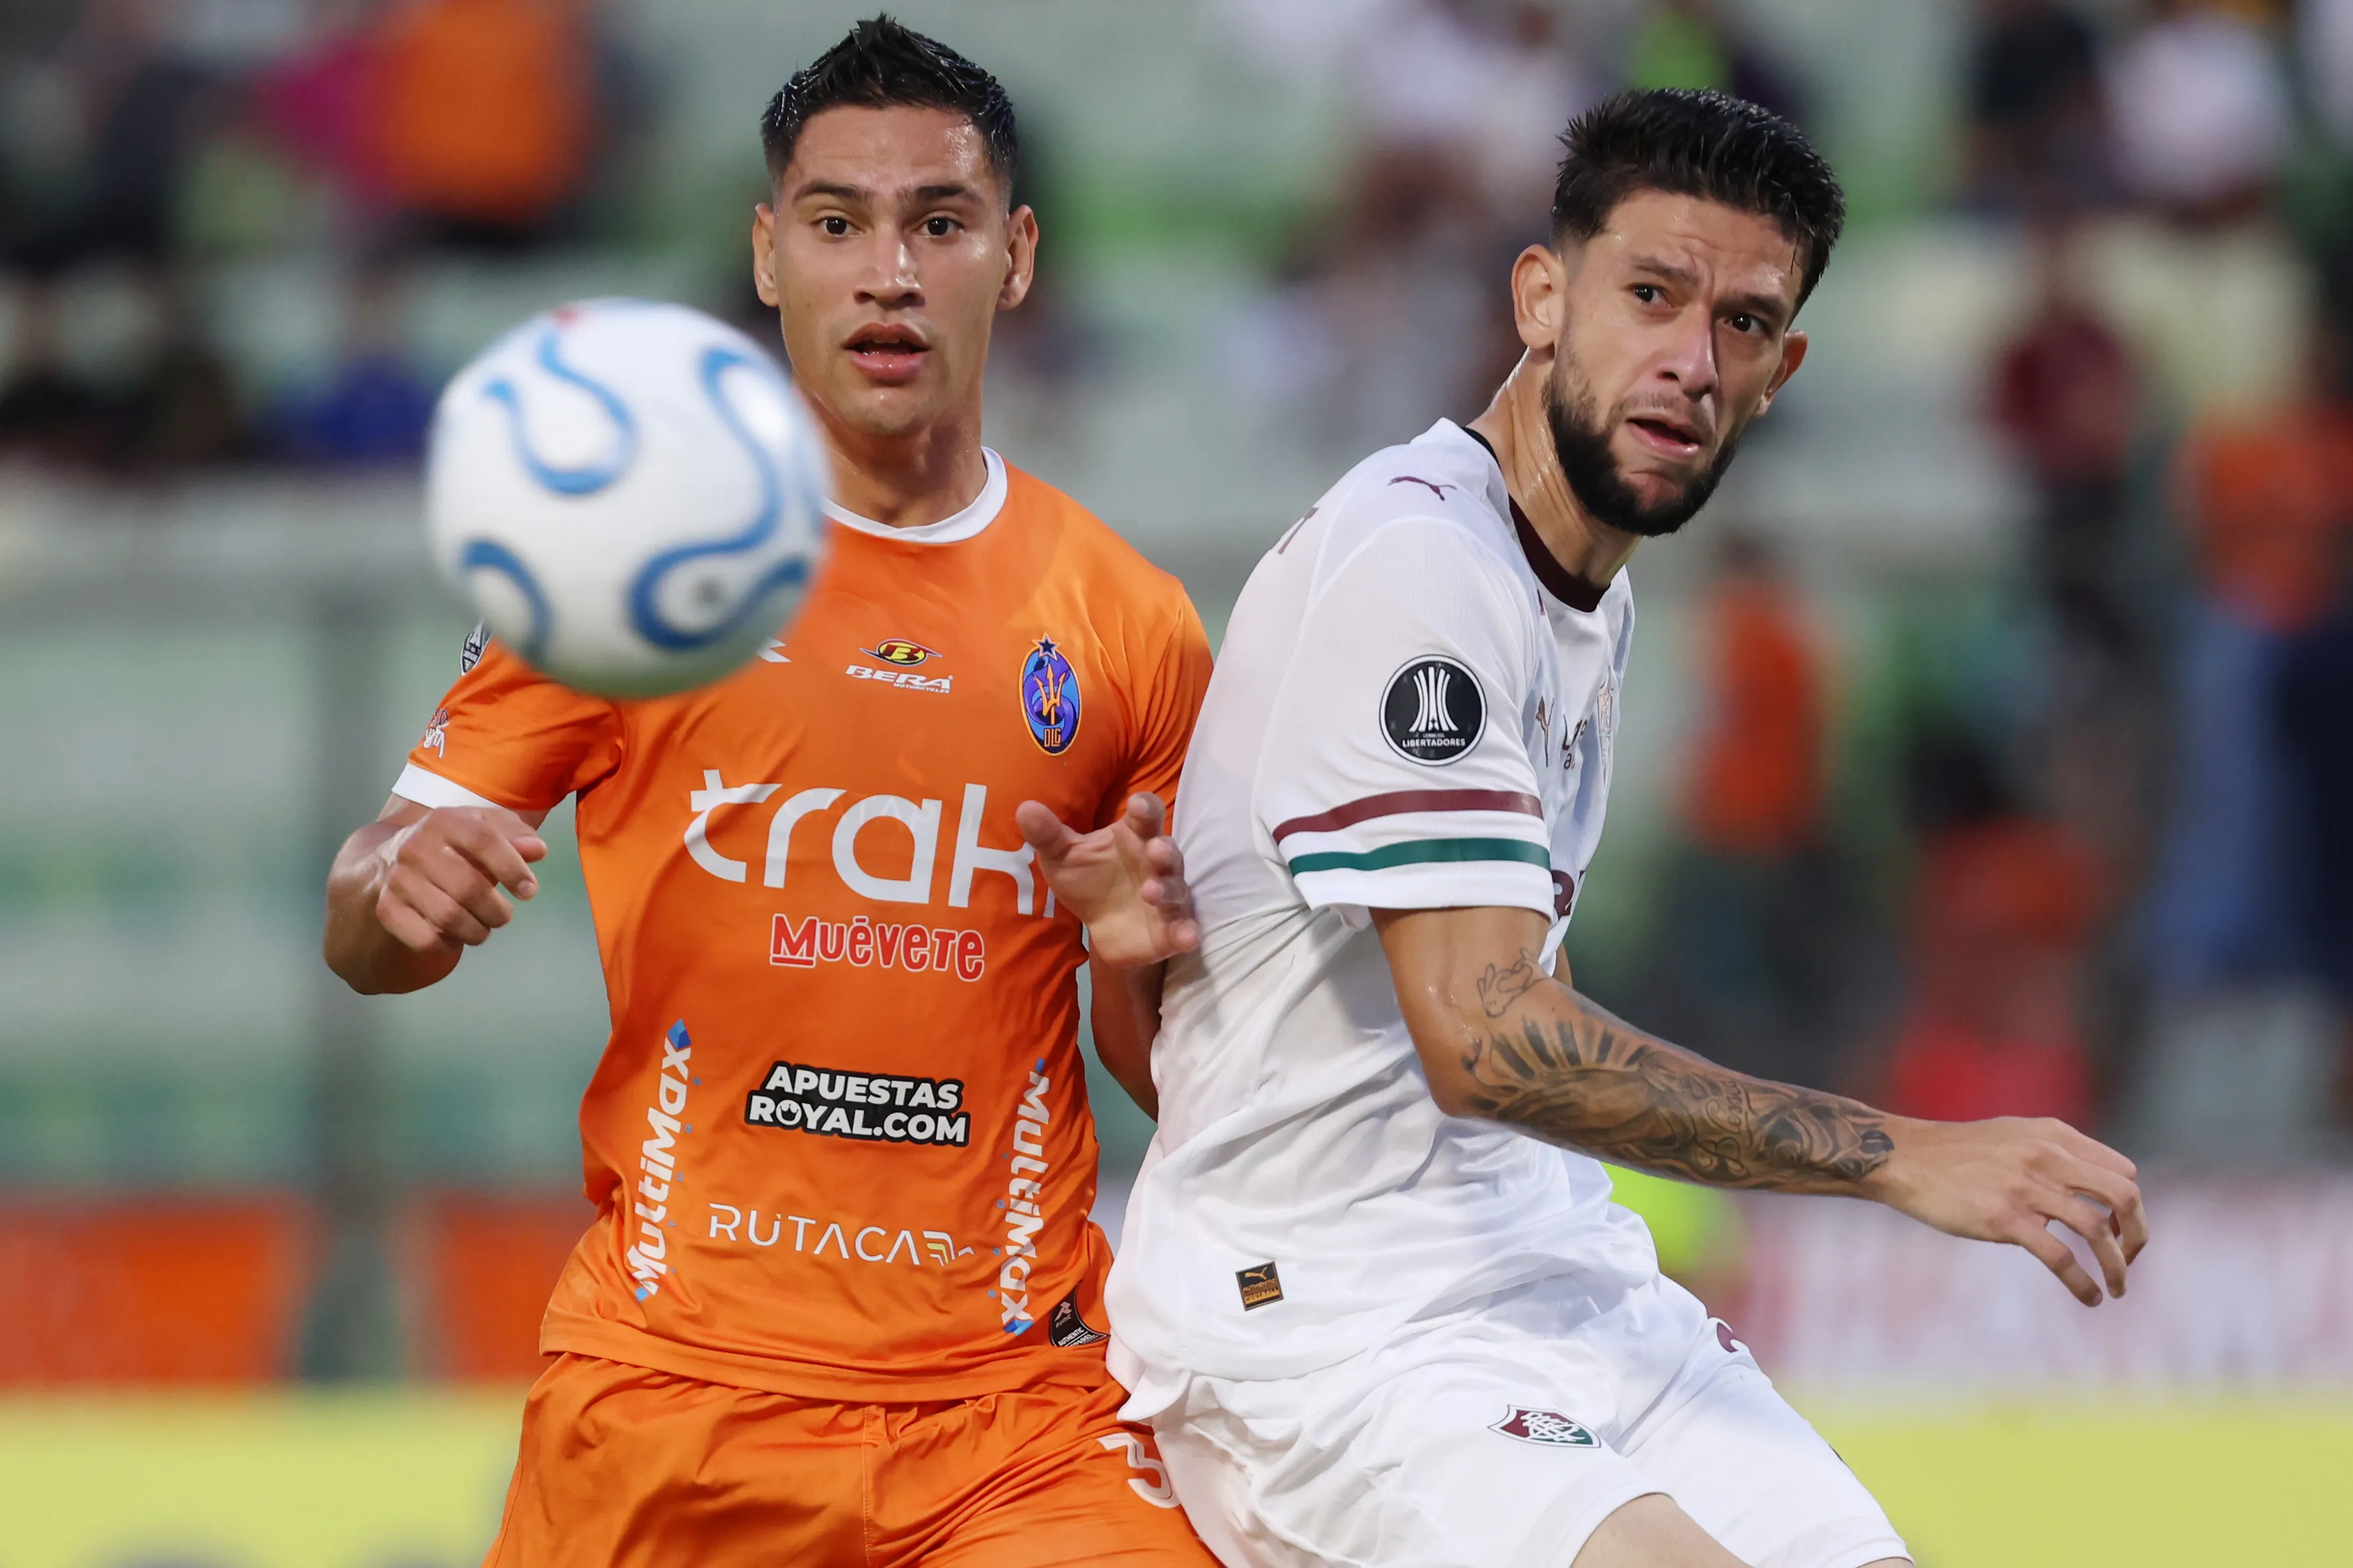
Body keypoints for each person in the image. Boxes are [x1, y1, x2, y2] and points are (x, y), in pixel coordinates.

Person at [1106, 89, 2148, 1568]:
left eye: (1739, 322)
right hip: (1336, 1326)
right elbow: (1487, 1038)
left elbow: (1226, 1035)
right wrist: (1895, 1153)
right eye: (1649, 294)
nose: (1687, 359)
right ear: (1542, 296)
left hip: (1550, 1278)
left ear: (1780, 371)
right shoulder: (1421, 566)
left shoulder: (1587, 589)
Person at [322, 20, 1220, 1568]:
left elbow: (1185, 1079)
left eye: (936, 224)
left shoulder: (1131, 626)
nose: (886, 270)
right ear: (765, 253)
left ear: (1012, 258)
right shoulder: (627, 576)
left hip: (1009, 1417)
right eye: (835, 223)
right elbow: (371, 929)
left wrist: (1147, 968)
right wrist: (386, 883)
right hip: (672, 1396)